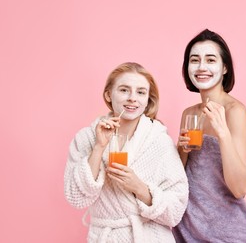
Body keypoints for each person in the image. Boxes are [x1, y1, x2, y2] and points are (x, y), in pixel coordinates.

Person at [64, 62, 189, 242]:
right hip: (105, 236)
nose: (132, 98)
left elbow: (176, 210)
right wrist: (99, 147)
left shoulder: (159, 142)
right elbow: (77, 197)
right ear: (109, 94)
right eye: (124, 90)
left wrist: (140, 188)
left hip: (149, 236)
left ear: (147, 100)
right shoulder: (86, 138)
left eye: (141, 92)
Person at [173, 29, 246, 242]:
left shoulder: (235, 112)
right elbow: (178, 178)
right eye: (194, 60)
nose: (201, 67)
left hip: (226, 232)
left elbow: (240, 188)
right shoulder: (189, 114)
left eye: (210, 59)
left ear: (225, 67)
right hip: (186, 229)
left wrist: (223, 133)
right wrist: (182, 150)